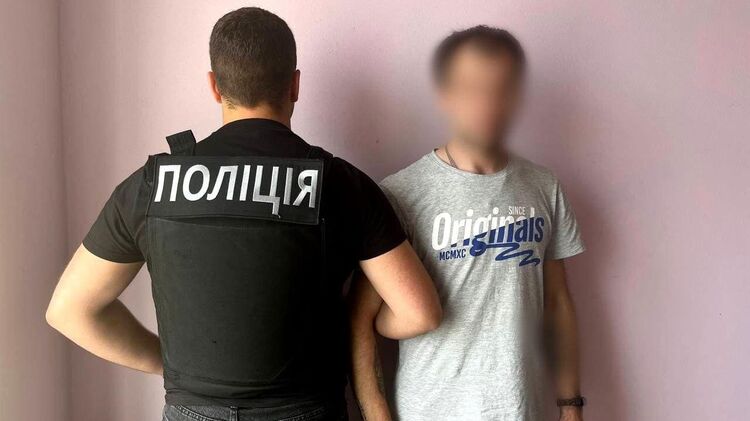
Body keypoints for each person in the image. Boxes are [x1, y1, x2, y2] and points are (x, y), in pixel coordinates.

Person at [46, 7, 442, 421]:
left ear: (215, 86)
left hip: (193, 410)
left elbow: (70, 310)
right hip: (305, 410)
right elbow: (419, 312)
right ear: (294, 85)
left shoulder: (153, 184)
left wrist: (169, 366)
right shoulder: (341, 184)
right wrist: (360, 314)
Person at [350, 26, 586, 421]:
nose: (488, 103)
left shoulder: (544, 186)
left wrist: (570, 404)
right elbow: (361, 321)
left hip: (522, 410)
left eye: (501, 88)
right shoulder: (400, 193)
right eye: (472, 88)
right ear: (446, 95)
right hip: (430, 411)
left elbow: (558, 302)